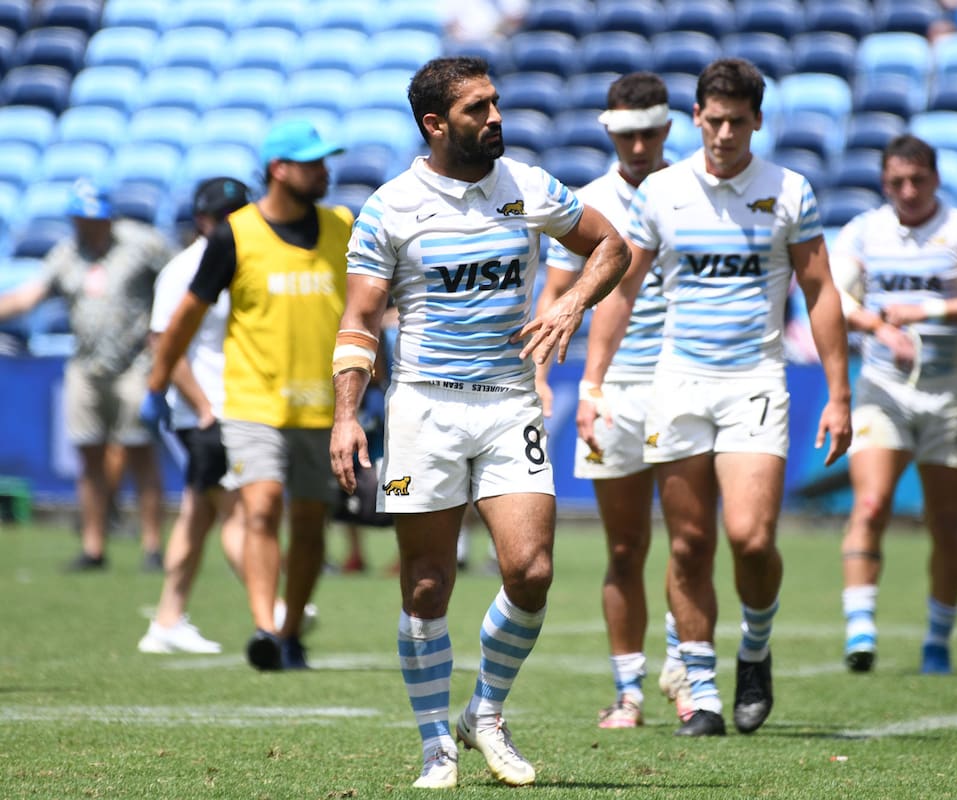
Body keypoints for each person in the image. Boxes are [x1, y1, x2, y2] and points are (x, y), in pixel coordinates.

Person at [328, 56, 629, 789]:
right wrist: (345, 415)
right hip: (424, 406)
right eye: (477, 109)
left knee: (530, 572)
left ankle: (484, 714)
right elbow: (361, 322)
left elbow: (612, 245)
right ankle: (436, 742)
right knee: (427, 586)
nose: (495, 118)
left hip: (507, 403)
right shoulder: (390, 208)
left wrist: (568, 304)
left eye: (495, 104)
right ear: (436, 125)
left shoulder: (528, 186)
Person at [580, 58, 854, 738]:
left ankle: (754, 650)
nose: (724, 133)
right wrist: (592, 383)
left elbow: (820, 291)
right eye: (714, 119)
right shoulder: (664, 193)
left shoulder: (789, 190)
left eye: (737, 121)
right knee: (689, 543)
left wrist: (840, 393)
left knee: (752, 539)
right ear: (696, 118)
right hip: (677, 384)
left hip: (755, 380)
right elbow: (624, 291)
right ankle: (700, 691)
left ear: (756, 121)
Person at [142, 119, 352, 671]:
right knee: (259, 508)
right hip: (251, 403)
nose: (326, 170)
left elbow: (367, 305)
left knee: (310, 523)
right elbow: (184, 318)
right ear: (280, 170)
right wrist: (158, 382)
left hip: (322, 407)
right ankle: (264, 627)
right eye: (313, 162)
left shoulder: (343, 227)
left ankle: (290, 631)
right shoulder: (233, 235)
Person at [536, 71, 688, 730]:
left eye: (648, 131)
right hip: (616, 384)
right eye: (625, 133)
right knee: (624, 548)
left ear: (667, 129)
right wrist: (543, 374)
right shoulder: (585, 202)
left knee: (691, 542)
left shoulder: (693, 194)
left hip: (689, 380)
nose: (637, 144)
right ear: (609, 130)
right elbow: (556, 292)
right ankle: (628, 690)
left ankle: (688, 674)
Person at [830, 134, 957, 675]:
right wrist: (876, 324)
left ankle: (937, 639)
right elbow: (830, 299)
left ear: (936, 180)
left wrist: (927, 309)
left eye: (918, 181)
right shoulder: (863, 231)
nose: (908, 192)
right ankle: (860, 630)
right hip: (881, 388)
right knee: (870, 505)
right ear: (884, 183)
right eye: (896, 182)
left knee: (946, 522)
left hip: (946, 388)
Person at [0, 178, 173, 572]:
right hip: (85, 365)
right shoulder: (68, 254)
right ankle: (94, 547)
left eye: (94, 218)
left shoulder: (141, 244)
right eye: (81, 218)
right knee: (89, 455)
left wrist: (163, 334)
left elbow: (179, 282)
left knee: (140, 453)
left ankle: (151, 547)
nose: (88, 225)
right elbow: (29, 296)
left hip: (135, 364)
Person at [138, 177, 252, 654]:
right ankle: (279, 606)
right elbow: (164, 342)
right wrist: (203, 407)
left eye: (238, 212)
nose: (231, 222)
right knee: (238, 510)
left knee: (198, 514)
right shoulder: (182, 270)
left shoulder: (249, 262)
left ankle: (166, 620)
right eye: (223, 215)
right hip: (208, 411)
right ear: (201, 220)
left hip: (235, 405)